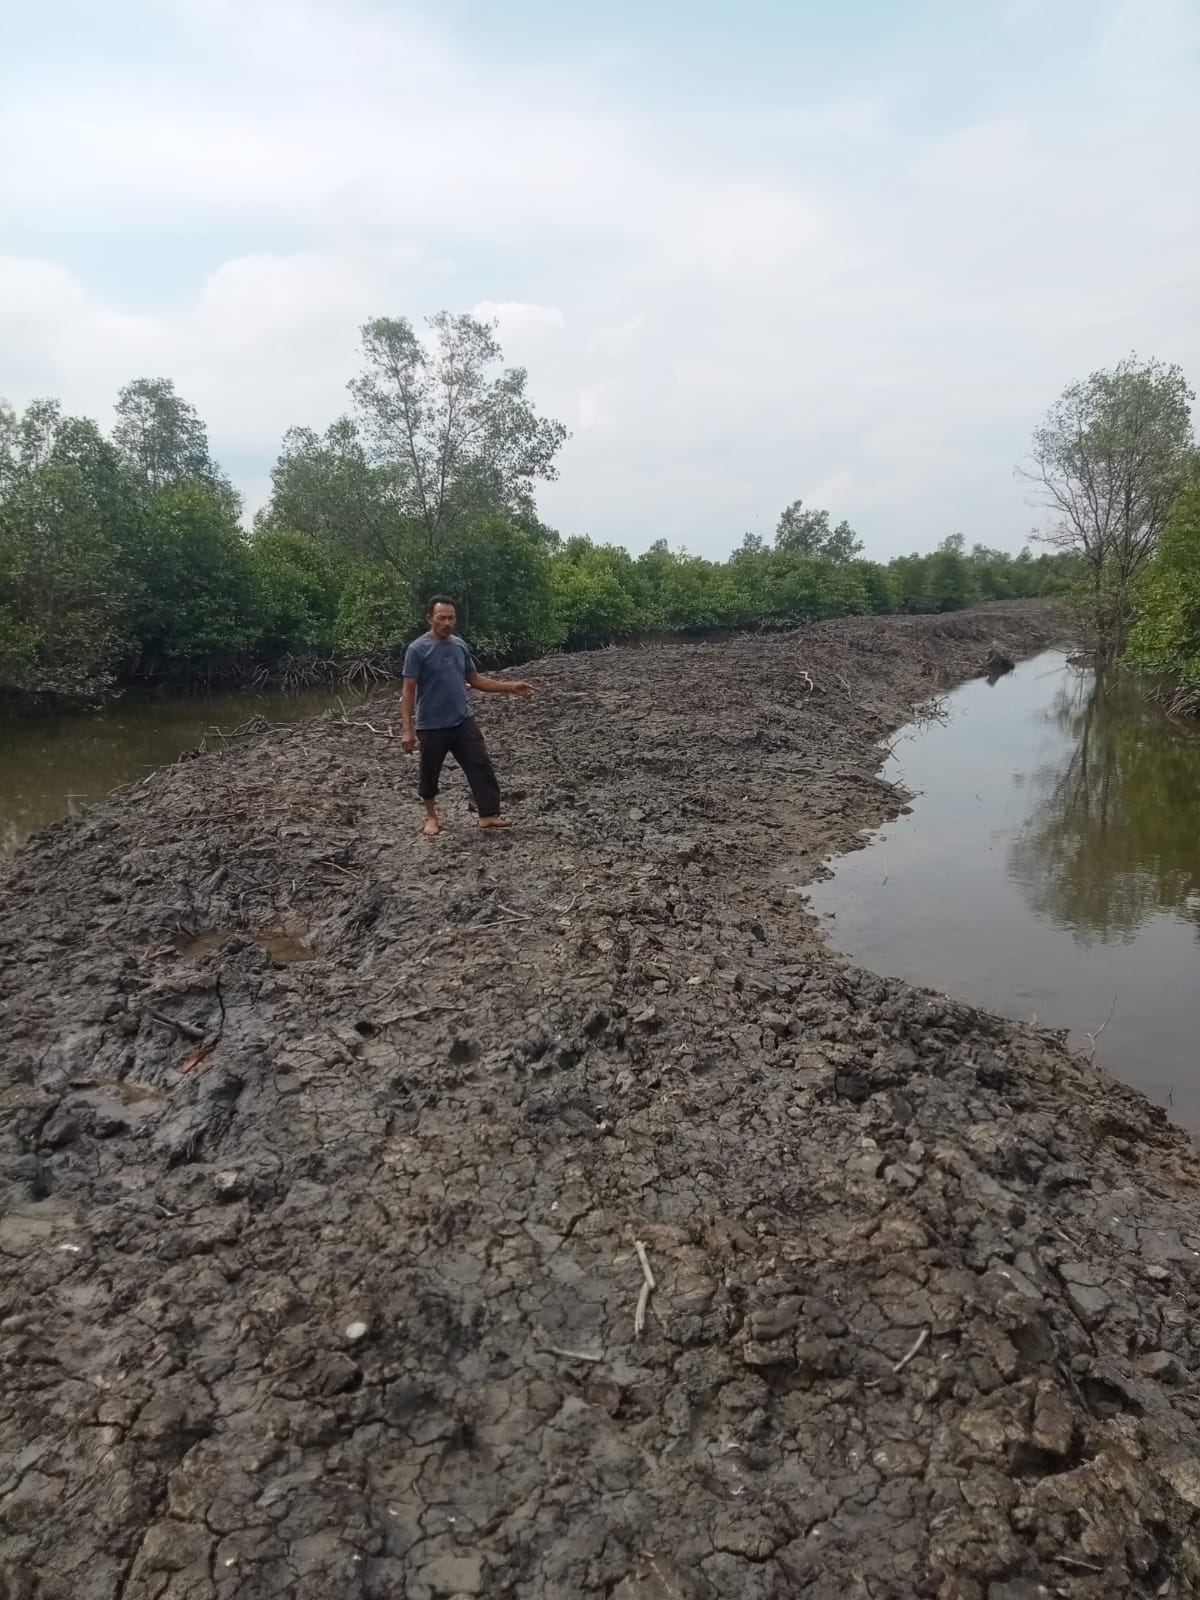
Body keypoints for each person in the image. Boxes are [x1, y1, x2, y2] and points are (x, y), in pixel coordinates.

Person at [398, 596, 534, 837]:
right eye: (442, 618)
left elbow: (475, 680)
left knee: (480, 765)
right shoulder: (417, 649)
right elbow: (408, 689)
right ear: (430, 619)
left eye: (451, 617)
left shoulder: (460, 645)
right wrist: (407, 729)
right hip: (431, 725)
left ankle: (488, 815)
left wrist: (510, 686)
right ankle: (431, 816)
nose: (447, 622)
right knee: (429, 772)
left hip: (462, 721)